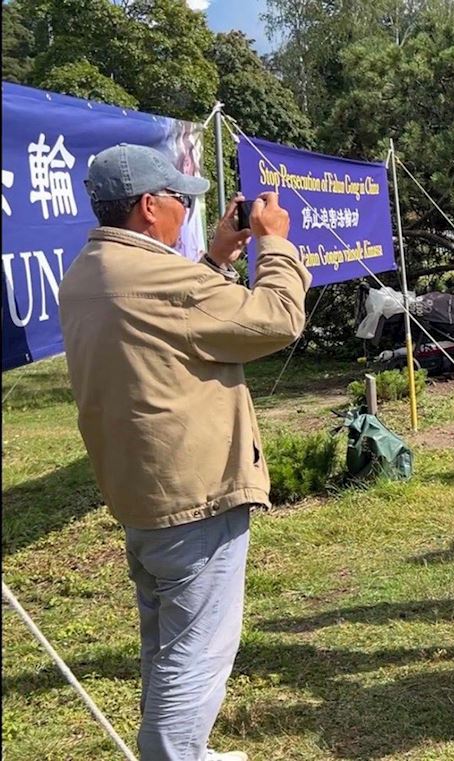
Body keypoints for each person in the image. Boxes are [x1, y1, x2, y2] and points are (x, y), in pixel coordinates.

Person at [59, 144, 307, 761]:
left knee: (165, 644)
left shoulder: (91, 270)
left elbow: (176, 321)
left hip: (143, 495)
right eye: (179, 200)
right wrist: (274, 243)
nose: (185, 211)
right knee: (196, 655)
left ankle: (184, 752)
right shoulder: (160, 279)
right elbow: (276, 319)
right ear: (149, 206)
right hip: (196, 498)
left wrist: (216, 258)